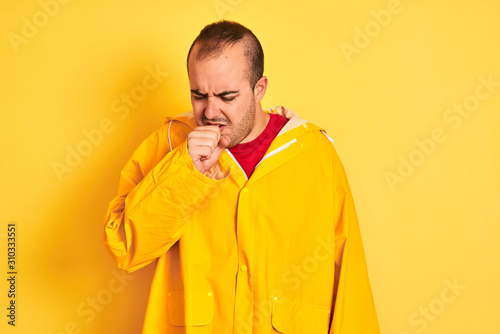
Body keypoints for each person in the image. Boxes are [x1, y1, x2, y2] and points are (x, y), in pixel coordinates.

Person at [103, 20, 380, 334]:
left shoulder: (314, 153)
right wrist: (184, 169)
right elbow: (124, 246)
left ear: (259, 88)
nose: (210, 111)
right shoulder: (168, 145)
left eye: (227, 96)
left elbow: (350, 273)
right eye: (198, 95)